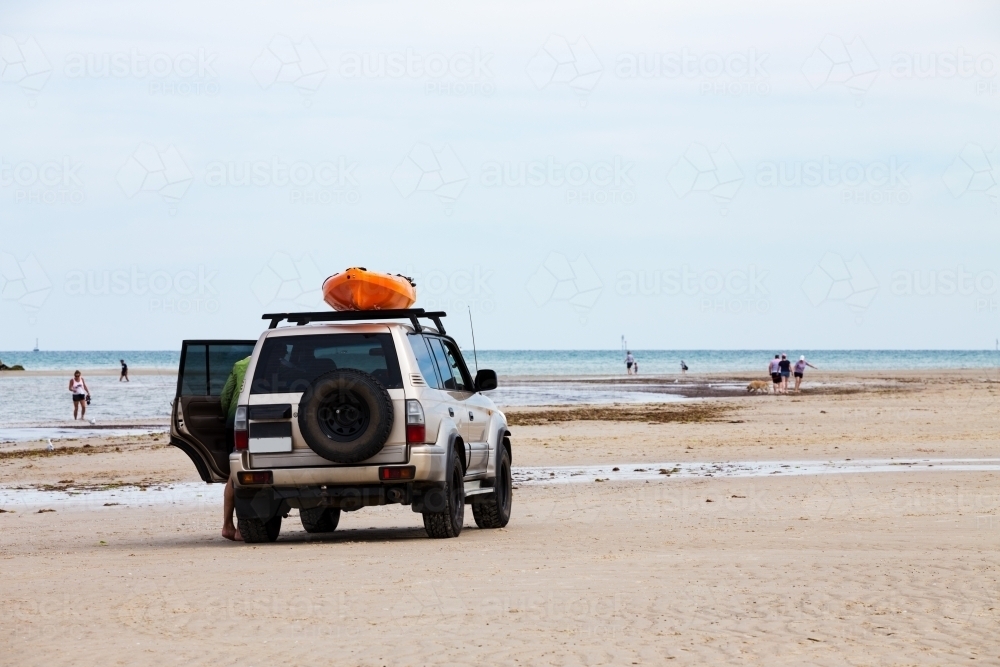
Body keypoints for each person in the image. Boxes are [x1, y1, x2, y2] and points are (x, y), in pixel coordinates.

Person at [219, 356, 251, 541]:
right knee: (242, 473)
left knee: (234, 471)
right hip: (251, 420)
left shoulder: (240, 364)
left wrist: (229, 416)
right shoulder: (272, 361)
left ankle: (227, 524)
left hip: (234, 420)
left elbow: (226, 396)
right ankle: (239, 527)